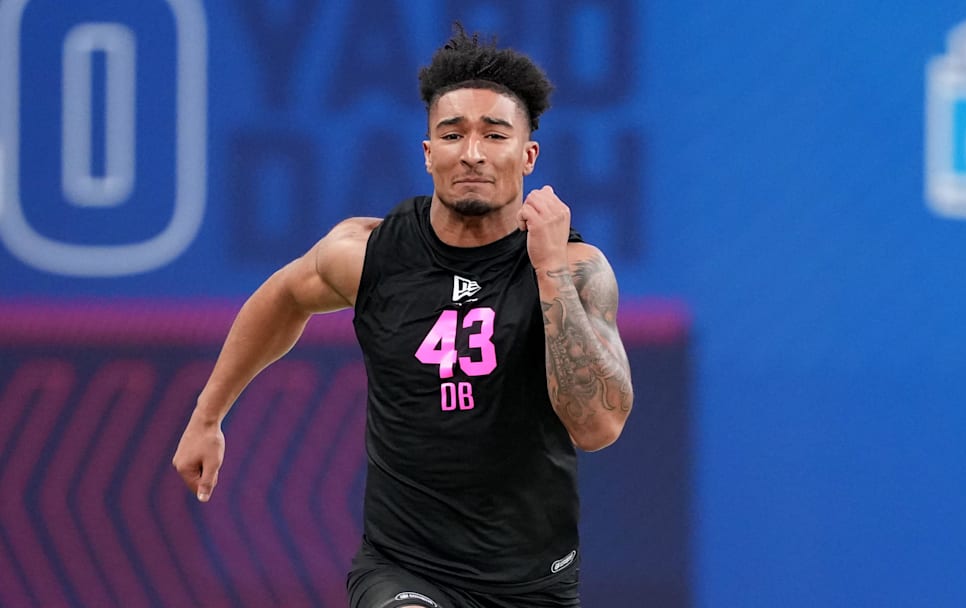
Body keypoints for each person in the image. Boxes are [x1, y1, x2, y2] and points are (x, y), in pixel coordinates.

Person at [172, 23, 634, 608]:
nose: (471, 153)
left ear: (527, 155)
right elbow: (284, 297)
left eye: (494, 135)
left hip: (531, 580)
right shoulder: (369, 254)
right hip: (403, 568)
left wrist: (547, 270)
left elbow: (598, 427)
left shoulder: (575, 267)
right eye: (452, 134)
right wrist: (207, 416)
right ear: (427, 153)